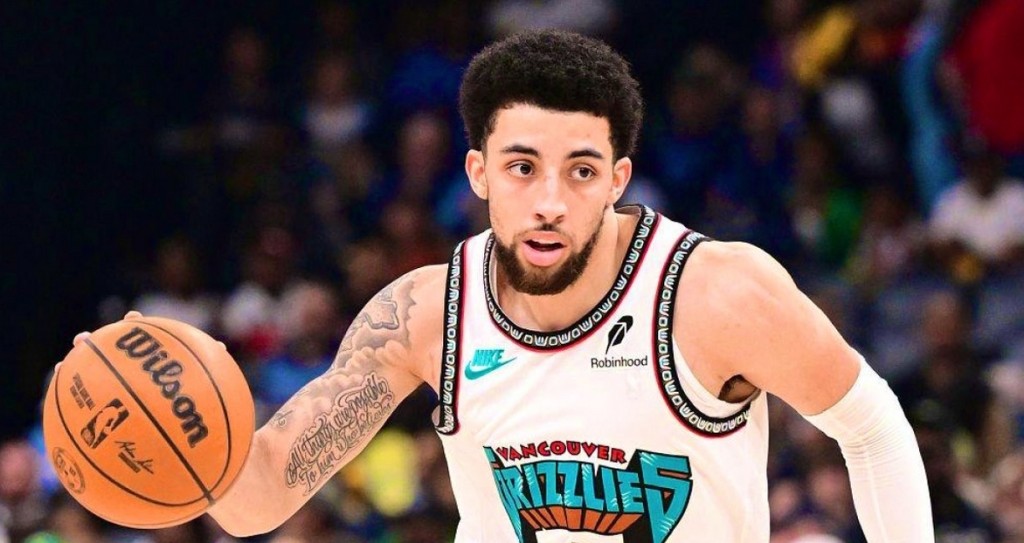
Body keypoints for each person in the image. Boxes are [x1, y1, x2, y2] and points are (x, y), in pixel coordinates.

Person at [73, 30, 933, 542]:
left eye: (581, 169)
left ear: (618, 178)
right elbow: (259, 496)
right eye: (523, 166)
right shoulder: (423, 315)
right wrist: (176, 428)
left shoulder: (716, 293)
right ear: (479, 172)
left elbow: (873, 426)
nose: (550, 199)